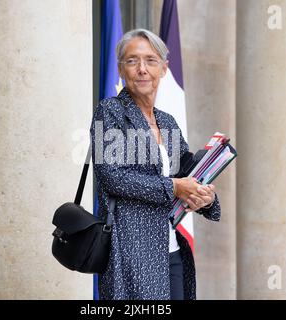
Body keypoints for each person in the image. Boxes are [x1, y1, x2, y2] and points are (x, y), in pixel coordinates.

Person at [90, 29, 221, 300]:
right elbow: (113, 177)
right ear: (120, 69)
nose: (142, 69)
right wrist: (174, 187)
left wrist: (205, 196)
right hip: (131, 251)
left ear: (163, 68)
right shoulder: (110, 112)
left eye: (150, 60)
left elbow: (186, 172)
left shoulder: (167, 121)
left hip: (171, 250)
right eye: (132, 61)